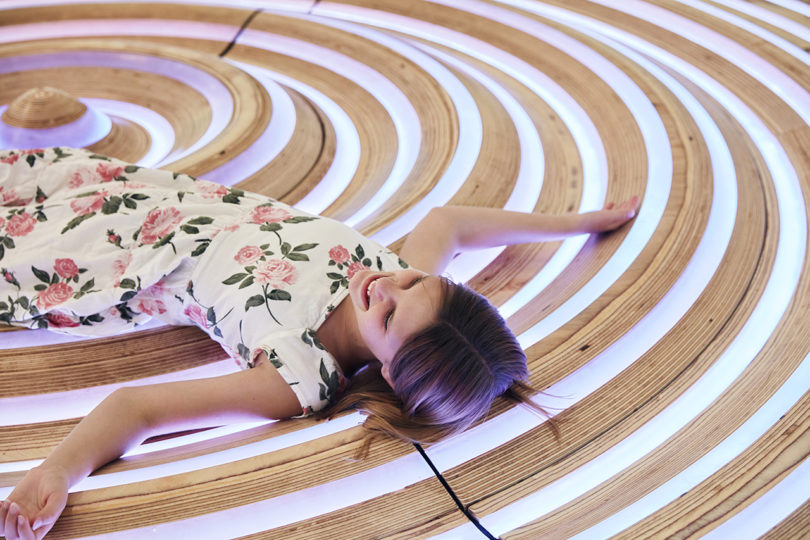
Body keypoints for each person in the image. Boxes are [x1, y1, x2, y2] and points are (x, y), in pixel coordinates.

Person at [0, 147, 638, 539]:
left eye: (389, 317)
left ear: (389, 374)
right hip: (173, 199)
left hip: (126, 254)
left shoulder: (298, 374)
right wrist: (583, 222)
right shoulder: (393, 269)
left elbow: (138, 409)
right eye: (416, 280)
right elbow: (452, 222)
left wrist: (55, 472)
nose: (383, 285)